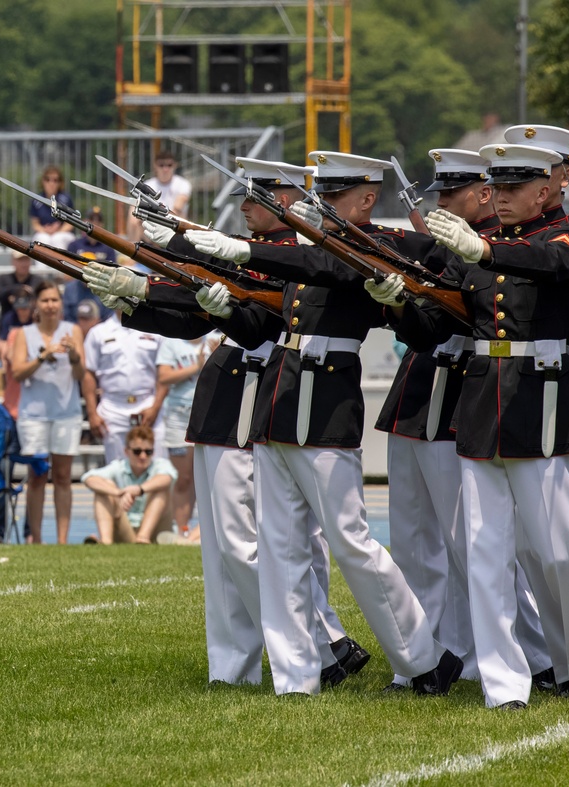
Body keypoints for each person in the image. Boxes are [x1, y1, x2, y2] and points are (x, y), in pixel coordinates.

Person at [180, 151, 461, 697]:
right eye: (320, 197)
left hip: (326, 400)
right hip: (280, 400)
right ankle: (295, 676)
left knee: (351, 540)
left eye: (334, 198)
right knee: (280, 548)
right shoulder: (311, 248)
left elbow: (328, 268)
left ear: (365, 199)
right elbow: (265, 319)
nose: (323, 208)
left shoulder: (374, 245)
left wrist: (246, 249)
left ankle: (423, 658)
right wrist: (220, 307)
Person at [94, 156, 371, 687]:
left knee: (248, 543)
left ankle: (325, 646)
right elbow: (196, 309)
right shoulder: (259, 257)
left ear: (286, 202)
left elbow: (249, 316)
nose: (243, 207)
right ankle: (233, 667)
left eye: (255, 198)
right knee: (222, 552)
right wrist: (135, 300)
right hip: (224, 397)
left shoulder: (299, 258)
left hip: (256, 396)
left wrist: (179, 254)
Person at [414, 143, 569, 708]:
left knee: (554, 549)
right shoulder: (478, 248)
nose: (499, 198)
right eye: (495, 189)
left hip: (538, 399)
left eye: (512, 189)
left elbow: (553, 266)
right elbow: (436, 317)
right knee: (484, 549)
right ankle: (505, 683)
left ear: (544, 191)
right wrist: (395, 302)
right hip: (481, 398)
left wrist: (479, 249)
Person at [9, 281, 84, 544]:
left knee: (63, 476)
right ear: (36, 306)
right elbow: (17, 372)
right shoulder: (24, 333)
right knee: (37, 475)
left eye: (54, 300)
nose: (50, 305)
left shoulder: (72, 330)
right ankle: (37, 538)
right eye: (45, 300)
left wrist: (74, 354)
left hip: (66, 412)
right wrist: (44, 355)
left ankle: (62, 541)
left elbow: (80, 375)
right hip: (34, 415)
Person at [83, 308, 167, 463]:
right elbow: (88, 374)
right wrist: (92, 413)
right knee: (117, 471)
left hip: (148, 405)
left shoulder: (155, 329)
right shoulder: (98, 332)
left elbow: (164, 372)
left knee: (155, 469)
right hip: (112, 408)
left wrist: (155, 408)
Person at [156, 334, 214, 542]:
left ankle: (202, 532)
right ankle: (181, 529)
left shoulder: (216, 338)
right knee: (184, 478)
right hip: (178, 416)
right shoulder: (171, 342)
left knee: (206, 479)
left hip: (209, 412)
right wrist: (196, 367)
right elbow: (163, 377)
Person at [82, 425, 176, 544]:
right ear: (126, 451)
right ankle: (105, 542)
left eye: (148, 452)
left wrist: (139, 489)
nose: (143, 456)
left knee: (161, 489)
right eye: (137, 451)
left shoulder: (161, 465)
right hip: (126, 530)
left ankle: (143, 537)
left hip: (157, 531)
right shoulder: (118, 466)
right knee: (104, 489)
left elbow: (167, 478)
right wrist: (118, 492)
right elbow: (88, 478)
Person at [63, 206, 116, 322]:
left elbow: (113, 275)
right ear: (85, 222)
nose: (95, 223)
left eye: (98, 220)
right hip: (78, 284)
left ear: (102, 224)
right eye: (91, 219)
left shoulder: (108, 248)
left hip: (99, 286)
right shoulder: (74, 245)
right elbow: (66, 273)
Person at [127, 150, 192, 240]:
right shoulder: (148, 185)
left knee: (179, 215)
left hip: (174, 226)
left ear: (175, 165)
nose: (165, 169)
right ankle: (132, 247)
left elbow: (177, 209)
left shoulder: (183, 184)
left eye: (169, 165)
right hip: (151, 227)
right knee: (134, 211)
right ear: (155, 166)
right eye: (161, 165)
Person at [0, 250, 44, 321]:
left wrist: (31, 297)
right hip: (9, 322)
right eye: (20, 260)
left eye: (26, 260)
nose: (24, 264)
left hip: (33, 322)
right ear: (13, 262)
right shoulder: (4, 279)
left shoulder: (37, 281)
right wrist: (13, 290)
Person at [30, 165, 75, 248]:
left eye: (55, 180)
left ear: (60, 183)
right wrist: (45, 230)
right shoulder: (36, 200)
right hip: (44, 233)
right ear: (43, 181)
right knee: (42, 239)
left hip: (63, 233)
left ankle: (61, 261)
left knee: (57, 238)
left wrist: (58, 231)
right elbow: (35, 224)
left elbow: (70, 223)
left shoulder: (66, 199)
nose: (51, 183)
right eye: (47, 179)